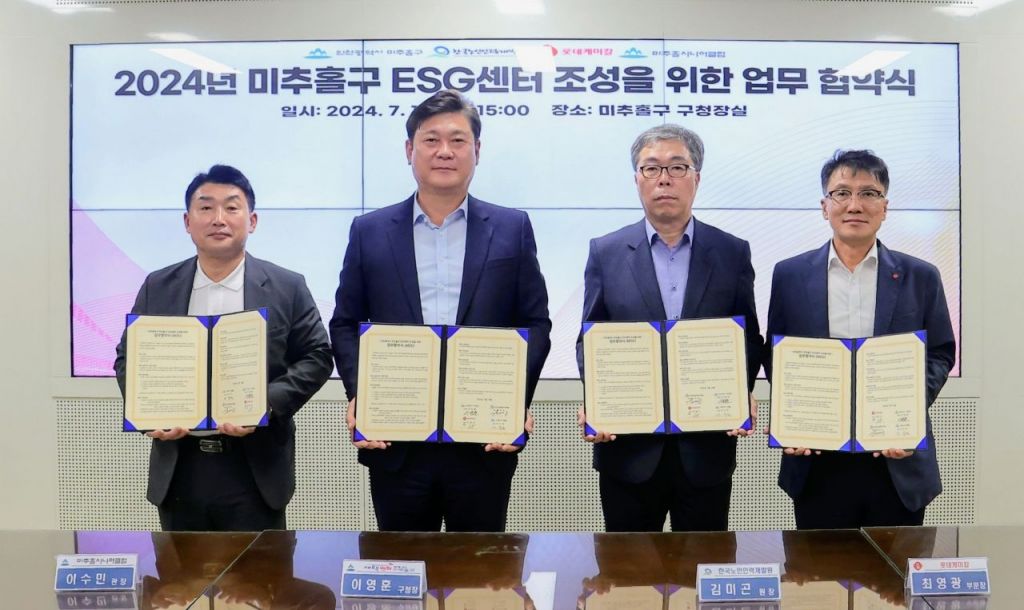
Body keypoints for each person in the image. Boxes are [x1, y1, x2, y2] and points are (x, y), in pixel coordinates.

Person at [329, 90, 552, 532]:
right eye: (431, 140)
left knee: (481, 566)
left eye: (457, 140)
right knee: (402, 562)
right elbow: (345, 323)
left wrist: (513, 398)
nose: (444, 151)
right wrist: (362, 395)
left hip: (483, 441)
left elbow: (535, 323)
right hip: (395, 439)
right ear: (409, 150)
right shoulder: (370, 230)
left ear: (477, 151)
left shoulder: (512, 227)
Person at [114, 164, 333, 531]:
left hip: (255, 469)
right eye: (206, 207)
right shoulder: (158, 286)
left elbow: (317, 357)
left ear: (252, 221)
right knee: (180, 570)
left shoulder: (287, 286)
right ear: (187, 222)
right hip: (180, 467)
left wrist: (265, 403)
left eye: (232, 207)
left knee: (260, 570)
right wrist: (149, 414)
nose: (219, 218)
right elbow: (128, 359)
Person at [578, 124, 763, 532]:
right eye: (651, 168)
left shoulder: (732, 252)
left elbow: (748, 338)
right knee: (628, 567)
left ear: (697, 178)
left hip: (706, 449)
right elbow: (589, 339)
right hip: (627, 449)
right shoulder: (606, 252)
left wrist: (739, 392)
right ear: (637, 180)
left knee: (704, 563)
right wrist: (598, 398)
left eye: (678, 167)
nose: (664, 178)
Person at [767, 149, 956, 529]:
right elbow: (778, 355)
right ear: (825, 206)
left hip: (895, 457)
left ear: (885, 207)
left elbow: (939, 353)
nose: (855, 205)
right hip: (817, 458)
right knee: (819, 567)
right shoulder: (789, 275)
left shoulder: (920, 276)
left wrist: (906, 409)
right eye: (842, 193)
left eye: (869, 193)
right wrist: (795, 415)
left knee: (892, 567)